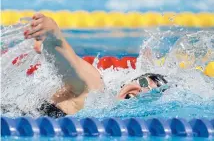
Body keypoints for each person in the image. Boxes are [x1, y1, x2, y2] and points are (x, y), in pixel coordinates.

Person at [23, 13, 168, 118]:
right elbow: (73, 65)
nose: (141, 91)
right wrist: (52, 33)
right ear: (127, 83)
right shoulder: (95, 91)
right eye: (143, 83)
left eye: (149, 94)